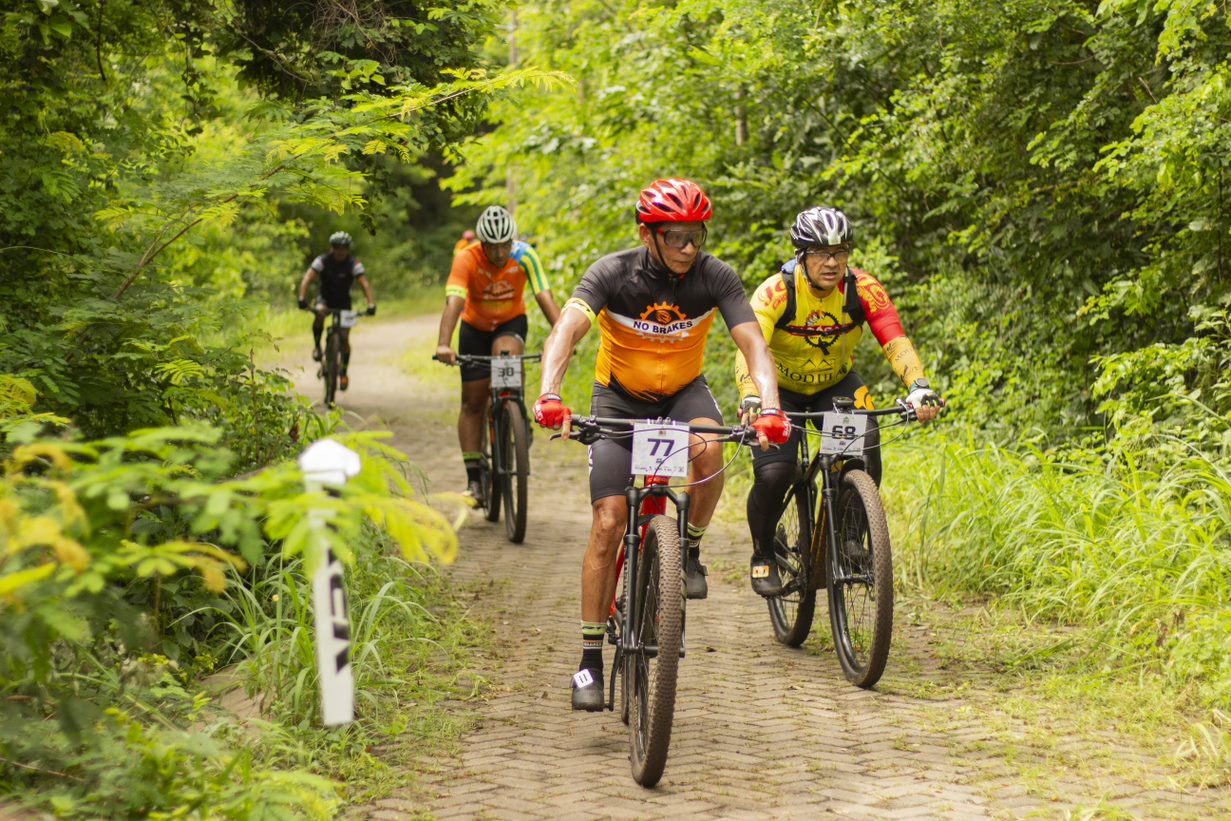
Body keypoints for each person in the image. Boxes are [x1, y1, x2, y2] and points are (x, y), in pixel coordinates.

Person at [532, 178, 792, 711]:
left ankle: (688, 548)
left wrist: (770, 406)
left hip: (682, 394)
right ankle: (589, 660)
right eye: (676, 237)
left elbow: (753, 344)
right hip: (618, 399)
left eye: (697, 235)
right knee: (608, 521)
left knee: (711, 449)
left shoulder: (715, 276)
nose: (689, 247)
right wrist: (549, 394)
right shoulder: (612, 273)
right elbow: (566, 332)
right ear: (647, 234)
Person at [735, 206, 942, 596]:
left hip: (835, 385)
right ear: (802, 256)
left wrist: (918, 386)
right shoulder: (776, 292)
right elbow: (749, 349)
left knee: (865, 445)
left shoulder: (862, 288)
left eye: (840, 253)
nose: (832, 263)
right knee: (775, 474)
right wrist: (753, 398)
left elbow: (894, 337)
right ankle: (763, 552)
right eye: (820, 253)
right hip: (779, 390)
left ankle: (849, 537)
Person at [436, 206, 562, 498]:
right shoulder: (466, 257)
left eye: (505, 245)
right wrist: (444, 343)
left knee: (507, 353)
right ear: (482, 244)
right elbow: (454, 301)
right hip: (474, 328)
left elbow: (544, 295)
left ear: (512, 241)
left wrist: (562, 337)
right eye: (492, 246)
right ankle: (474, 479)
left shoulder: (525, 255)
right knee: (473, 403)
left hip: (509, 322)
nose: (500, 252)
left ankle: (514, 408)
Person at [297, 231, 376, 391]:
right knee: (319, 313)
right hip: (325, 299)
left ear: (348, 249)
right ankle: (317, 346)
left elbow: (364, 284)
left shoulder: (353, 263)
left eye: (343, 248)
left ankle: (344, 372)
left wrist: (371, 304)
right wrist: (302, 298)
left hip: (344, 302)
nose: (340, 251)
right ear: (331, 248)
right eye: (336, 247)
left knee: (345, 339)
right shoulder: (322, 261)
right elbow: (308, 278)